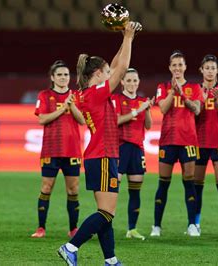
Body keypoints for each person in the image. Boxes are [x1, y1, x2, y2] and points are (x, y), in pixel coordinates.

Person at [58, 21, 141, 266]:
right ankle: (70, 247)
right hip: (103, 156)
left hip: (98, 156)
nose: (110, 74)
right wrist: (128, 37)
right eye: (105, 72)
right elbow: (123, 67)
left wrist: (127, 39)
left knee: (106, 214)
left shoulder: (88, 93)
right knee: (106, 212)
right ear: (97, 75)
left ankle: (111, 260)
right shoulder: (95, 94)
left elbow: (115, 65)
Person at [151, 51, 203, 237]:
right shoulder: (163, 87)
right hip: (167, 141)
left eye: (180, 65)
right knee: (163, 183)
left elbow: (197, 110)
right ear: (169, 67)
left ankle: (191, 225)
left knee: (189, 183)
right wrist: (174, 92)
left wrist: (184, 95)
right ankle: (156, 226)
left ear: (185, 67)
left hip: (188, 140)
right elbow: (163, 108)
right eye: (174, 65)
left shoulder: (195, 87)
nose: (177, 68)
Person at [32, 60, 85, 239]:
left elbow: (82, 120)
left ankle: (73, 229)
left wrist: (72, 105)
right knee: (46, 187)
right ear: (53, 77)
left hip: (72, 150)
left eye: (66, 75)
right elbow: (42, 119)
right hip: (51, 149)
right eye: (60, 75)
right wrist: (63, 108)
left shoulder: (76, 96)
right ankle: (41, 228)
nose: (63, 78)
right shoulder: (45, 95)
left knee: (73, 190)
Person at [111, 68, 154, 240]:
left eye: (135, 80)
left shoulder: (143, 100)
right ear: (122, 82)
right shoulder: (116, 99)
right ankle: (106, 225)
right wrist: (137, 111)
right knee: (113, 190)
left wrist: (147, 109)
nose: (132, 84)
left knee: (135, 191)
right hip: (120, 148)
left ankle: (132, 229)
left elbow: (148, 126)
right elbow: (116, 121)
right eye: (128, 80)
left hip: (137, 149)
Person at [194, 55, 218, 235]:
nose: (210, 71)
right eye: (207, 67)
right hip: (199, 141)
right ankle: (195, 224)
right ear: (201, 70)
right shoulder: (194, 90)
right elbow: (194, 115)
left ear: (217, 71)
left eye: (213, 68)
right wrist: (201, 99)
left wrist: (217, 100)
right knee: (197, 184)